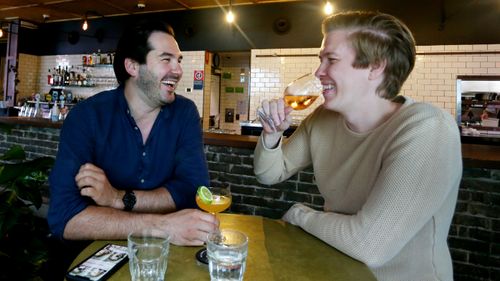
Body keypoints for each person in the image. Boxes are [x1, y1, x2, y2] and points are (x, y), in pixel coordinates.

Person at [254, 11, 461, 281]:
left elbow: (369, 245)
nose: (319, 72)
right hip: (337, 270)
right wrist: (272, 134)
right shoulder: (323, 119)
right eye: (321, 60)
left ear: (375, 66)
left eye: (331, 60)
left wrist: (300, 215)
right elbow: (269, 174)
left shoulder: (427, 129)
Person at [48, 19, 218, 246]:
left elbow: (193, 192)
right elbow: (65, 217)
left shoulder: (184, 113)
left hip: (169, 254)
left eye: (178, 60)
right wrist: (163, 226)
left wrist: (118, 198)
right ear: (133, 67)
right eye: (166, 59)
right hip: (94, 257)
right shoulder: (87, 117)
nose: (178, 70)